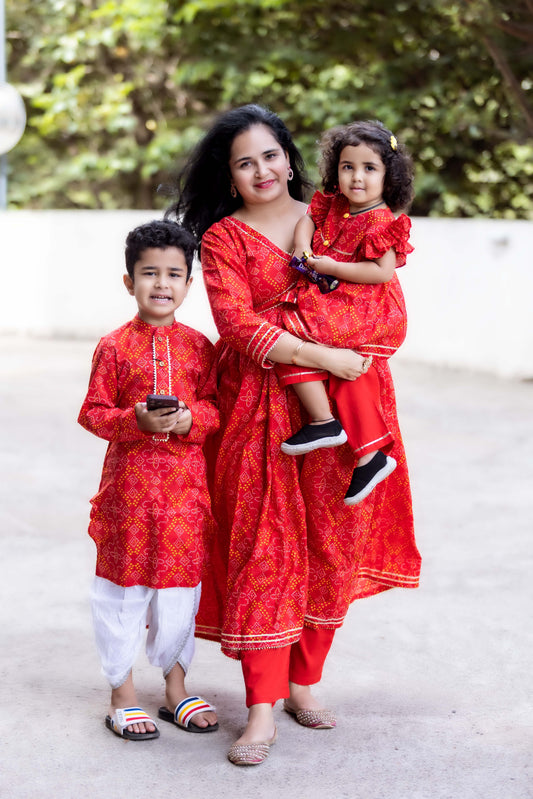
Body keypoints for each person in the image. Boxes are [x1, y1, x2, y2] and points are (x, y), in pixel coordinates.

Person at [167, 104, 421, 766]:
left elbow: (384, 298)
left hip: (351, 404)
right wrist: (324, 355)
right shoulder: (223, 238)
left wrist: (349, 357)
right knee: (263, 549)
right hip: (261, 409)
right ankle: (260, 709)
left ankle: (303, 682)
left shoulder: (338, 215)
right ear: (228, 176)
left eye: (271, 155)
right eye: (244, 161)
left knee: (332, 544)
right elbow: (237, 325)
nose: (261, 170)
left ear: (289, 156)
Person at [78, 220, 219, 740]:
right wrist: (133, 422)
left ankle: (176, 688)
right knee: (121, 592)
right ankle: (123, 693)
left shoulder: (200, 348)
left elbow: (215, 409)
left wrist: (189, 420)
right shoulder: (113, 347)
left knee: (179, 593)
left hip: (185, 497)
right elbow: (92, 412)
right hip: (128, 499)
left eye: (174, 274)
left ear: (189, 283)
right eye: (149, 273)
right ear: (128, 281)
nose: (162, 284)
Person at [277, 120, 415, 506]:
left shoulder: (381, 220)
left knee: (296, 332)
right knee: (293, 339)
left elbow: (382, 271)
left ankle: (329, 425)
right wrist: (304, 247)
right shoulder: (334, 205)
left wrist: (330, 267)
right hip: (334, 301)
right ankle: (354, 443)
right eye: (348, 166)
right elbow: (307, 219)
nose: (357, 177)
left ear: (389, 177)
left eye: (369, 169)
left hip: (364, 305)